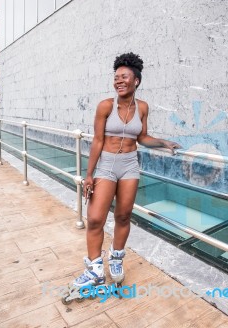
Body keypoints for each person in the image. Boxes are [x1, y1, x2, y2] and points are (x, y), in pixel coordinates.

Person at [74, 53, 181, 290]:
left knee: (123, 216)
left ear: (136, 81)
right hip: (107, 166)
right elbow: (98, 142)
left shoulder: (142, 107)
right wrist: (89, 175)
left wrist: (164, 142)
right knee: (94, 219)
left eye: (124, 77)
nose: (119, 81)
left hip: (130, 165)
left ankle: (116, 258)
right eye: (116, 77)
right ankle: (94, 269)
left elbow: (142, 137)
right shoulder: (105, 106)